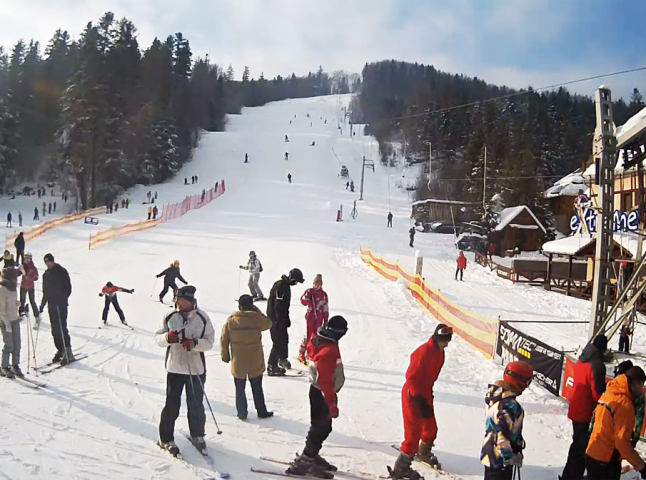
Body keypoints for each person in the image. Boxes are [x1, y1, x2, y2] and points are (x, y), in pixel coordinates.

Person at [154, 286, 215, 456]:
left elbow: (209, 342)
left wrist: (195, 344)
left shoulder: (202, 318)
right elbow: (157, 338)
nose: (179, 304)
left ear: (191, 301)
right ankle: (165, 438)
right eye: (177, 300)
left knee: (196, 405)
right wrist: (167, 338)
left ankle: (197, 435)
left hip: (196, 369)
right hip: (175, 368)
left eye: (183, 301)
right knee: (171, 405)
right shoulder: (170, 316)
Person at [389, 324, 453, 479]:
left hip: (425, 392)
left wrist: (426, 397)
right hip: (413, 394)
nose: (447, 344)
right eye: (445, 341)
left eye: (448, 341)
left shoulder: (440, 352)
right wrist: (418, 399)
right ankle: (400, 469)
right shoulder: (423, 353)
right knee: (413, 435)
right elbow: (411, 379)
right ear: (438, 339)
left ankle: (423, 453)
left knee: (431, 428)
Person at [287, 316, 348, 478]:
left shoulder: (321, 339)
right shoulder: (329, 350)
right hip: (322, 392)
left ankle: (311, 455)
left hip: (317, 390)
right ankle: (305, 461)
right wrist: (332, 403)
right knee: (320, 427)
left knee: (322, 426)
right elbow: (324, 381)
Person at [560, 334, 608, 480]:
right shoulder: (597, 365)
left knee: (577, 446)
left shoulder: (583, 359)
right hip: (587, 412)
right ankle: (573, 476)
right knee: (583, 449)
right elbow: (597, 393)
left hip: (576, 408)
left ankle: (569, 475)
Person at [585, 366, 646, 480]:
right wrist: (640, 466)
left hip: (592, 451)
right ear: (634, 383)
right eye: (641, 385)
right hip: (607, 458)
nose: (642, 390)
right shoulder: (624, 405)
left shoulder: (610, 392)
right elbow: (621, 442)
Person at [221, 294, 273, 420]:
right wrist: (257, 311)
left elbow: (224, 339)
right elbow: (268, 324)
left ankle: (242, 413)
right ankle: (261, 411)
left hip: (238, 360)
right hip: (255, 359)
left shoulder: (231, 321)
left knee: (240, 388)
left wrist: (225, 356)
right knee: (257, 387)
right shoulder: (256, 319)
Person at [480, 361, 533, 480]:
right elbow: (501, 434)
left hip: (490, 453)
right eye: (527, 382)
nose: (526, 386)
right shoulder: (510, 405)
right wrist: (509, 456)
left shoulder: (495, 396)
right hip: (500, 460)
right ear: (519, 381)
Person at [266, 268, 304, 376]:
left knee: (284, 340)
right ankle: (271, 366)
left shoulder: (284, 285)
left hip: (280, 319)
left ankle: (282, 358)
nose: (296, 284)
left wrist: (285, 320)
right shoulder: (281, 286)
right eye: (296, 281)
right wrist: (278, 321)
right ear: (291, 278)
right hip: (276, 320)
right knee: (277, 342)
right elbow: (278, 306)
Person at [39, 253, 75, 365]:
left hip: (61, 305)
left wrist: (62, 299)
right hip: (52, 305)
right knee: (54, 330)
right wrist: (42, 304)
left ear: (53, 261)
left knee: (62, 328)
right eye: (46, 263)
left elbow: (68, 288)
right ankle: (60, 349)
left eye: (49, 262)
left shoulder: (62, 272)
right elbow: (45, 291)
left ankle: (68, 351)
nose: (47, 264)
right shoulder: (46, 275)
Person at [0, 255, 23, 378]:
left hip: (15, 319)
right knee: (9, 345)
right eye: (14, 278)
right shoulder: (2, 289)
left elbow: (13, 301)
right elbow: (1, 308)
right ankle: (4, 366)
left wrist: (18, 305)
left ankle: (15, 365)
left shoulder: (13, 288)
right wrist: (6, 322)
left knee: (17, 344)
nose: (15, 280)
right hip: (6, 321)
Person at [298, 274, 329, 364]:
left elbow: (325, 307)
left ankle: (311, 353)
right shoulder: (309, 292)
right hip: (310, 316)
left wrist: (326, 319)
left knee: (316, 336)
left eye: (318, 285)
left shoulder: (323, 295)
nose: (316, 286)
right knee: (308, 335)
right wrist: (307, 297)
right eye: (315, 284)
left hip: (319, 317)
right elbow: (303, 301)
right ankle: (302, 352)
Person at [19, 253, 40, 325]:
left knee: (32, 301)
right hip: (23, 286)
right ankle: (21, 314)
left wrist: (31, 277)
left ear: (30, 259)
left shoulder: (33, 267)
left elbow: (36, 277)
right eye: (25, 258)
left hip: (30, 286)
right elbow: (18, 273)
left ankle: (37, 316)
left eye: (28, 258)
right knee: (22, 301)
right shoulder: (23, 266)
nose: (26, 260)